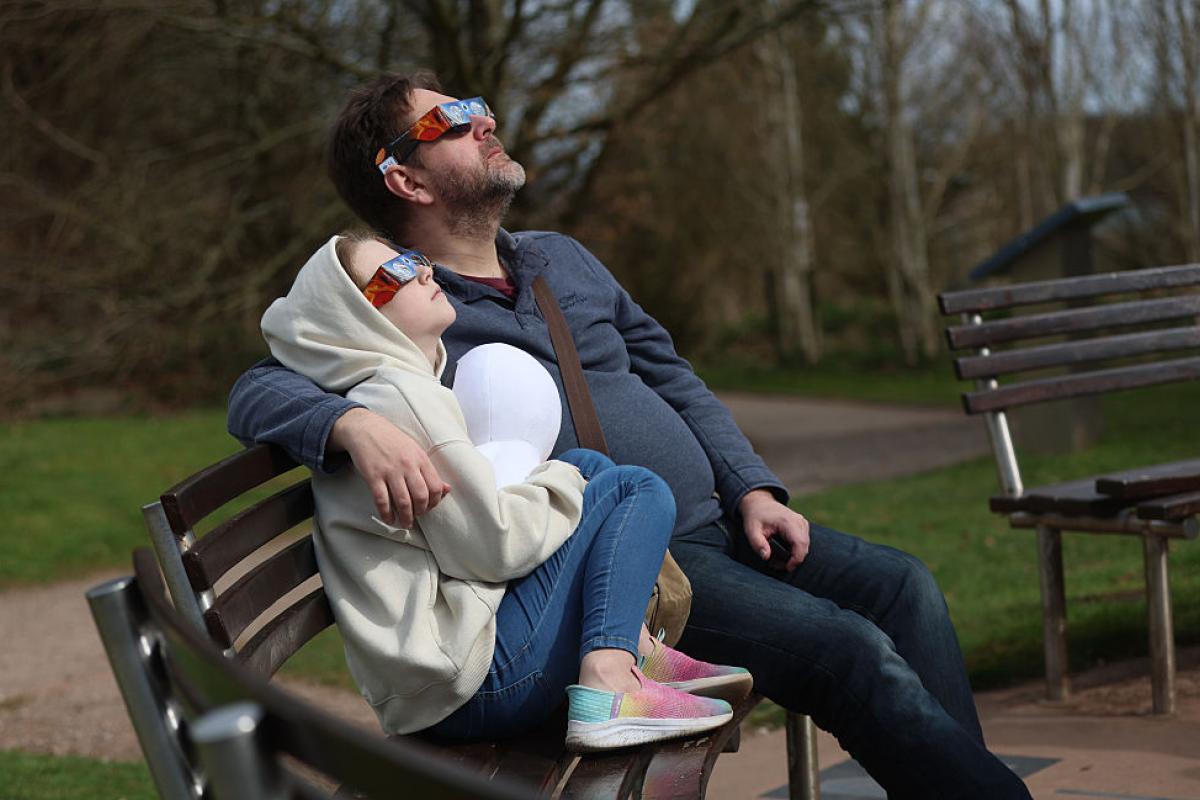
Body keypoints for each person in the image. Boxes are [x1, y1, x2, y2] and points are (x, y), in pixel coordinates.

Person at [229, 73, 1032, 797]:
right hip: (637, 568)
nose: (486, 121)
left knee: (904, 586)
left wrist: (749, 484)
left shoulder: (561, 259)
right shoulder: (395, 301)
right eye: (456, 121)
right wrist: (347, 421)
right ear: (405, 178)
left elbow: (669, 372)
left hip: (720, 523)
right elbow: (259, 386)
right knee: (847, 650)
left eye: (479, 108)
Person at [259, 230, 746, 751]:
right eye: (396, 272)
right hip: (471, 687)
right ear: (360, 314)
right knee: (635, 487)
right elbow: (493, 547)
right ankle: (609, 682)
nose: (424, 271)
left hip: (441, 683)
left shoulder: (390, 391)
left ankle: (633, 648)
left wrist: (567, 475)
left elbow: (475, 538)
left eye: (416, 260)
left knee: (586, 464)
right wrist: (562, 479)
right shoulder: (403, 400)